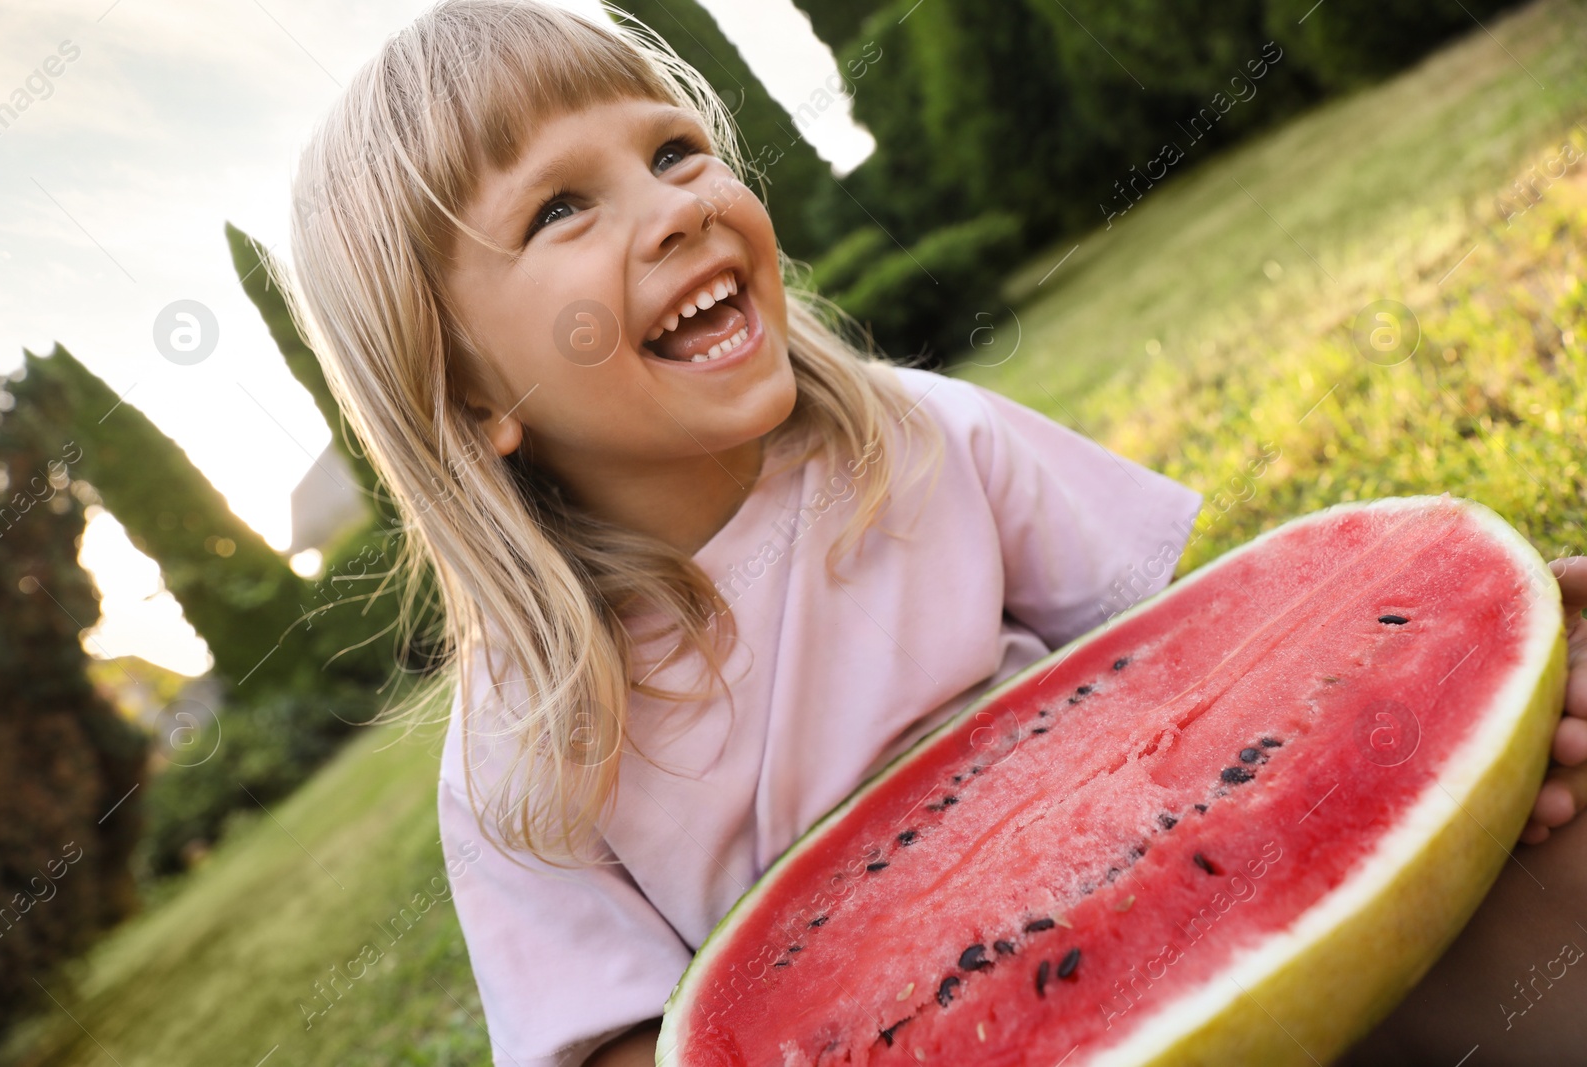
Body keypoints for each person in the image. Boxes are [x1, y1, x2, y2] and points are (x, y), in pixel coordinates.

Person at [279, 2, 1587, 1064]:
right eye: (561, 208)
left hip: (1213, 891)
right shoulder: (523, 752)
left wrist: (1453, 701)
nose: (673, 205)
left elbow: (1208, 665)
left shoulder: (922, 440)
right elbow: (608, 1039)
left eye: (676, 151)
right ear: (475, 402)